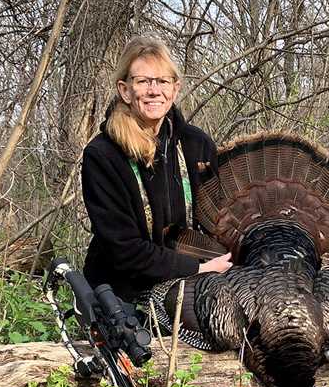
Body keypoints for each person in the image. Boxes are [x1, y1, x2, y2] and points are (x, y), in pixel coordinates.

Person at [82, 34, 232, 303]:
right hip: (123, 294)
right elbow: (123, 249)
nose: (154, 90)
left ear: (175, 89)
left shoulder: (196, 144)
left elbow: (218, 222)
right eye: (142, 81)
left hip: (191, 286)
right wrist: (198, 269)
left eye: (162, 81)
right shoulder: (102, 155)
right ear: (125, 90)